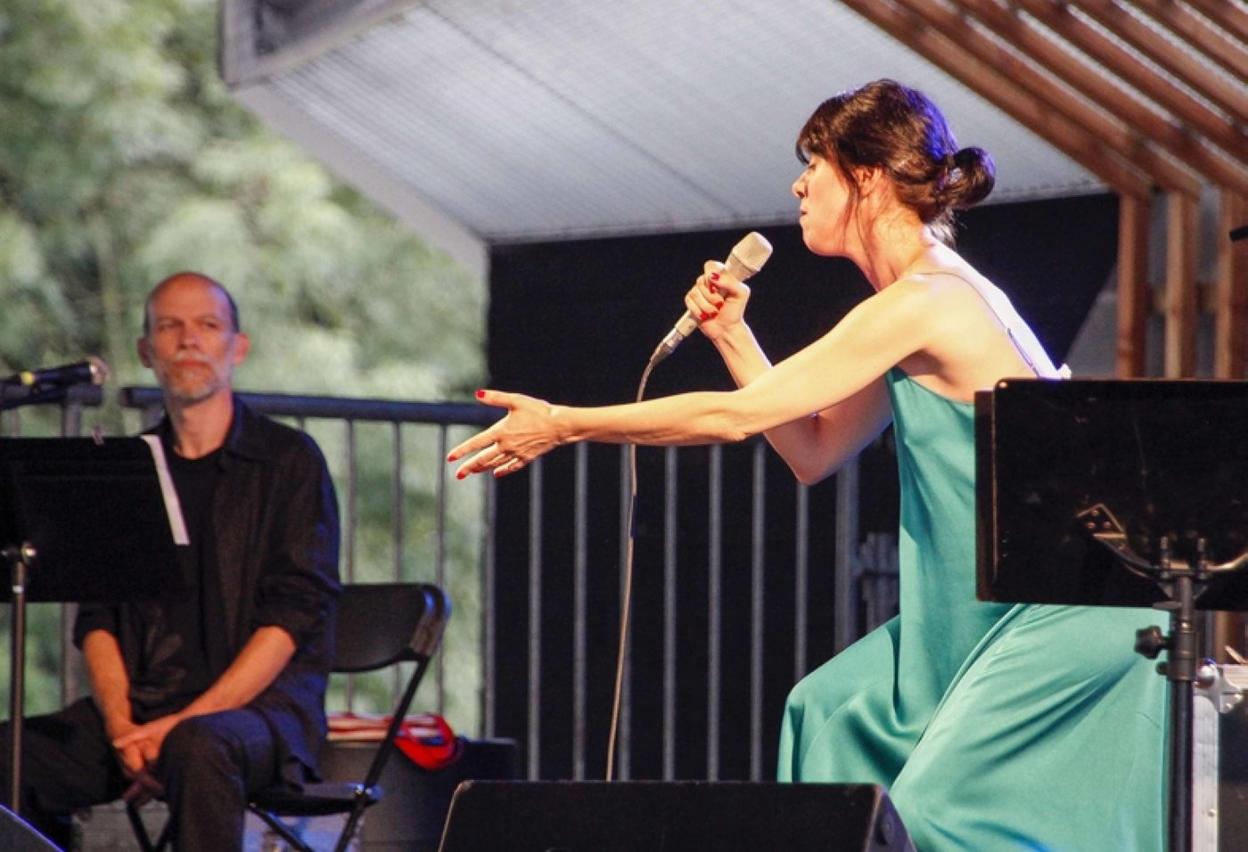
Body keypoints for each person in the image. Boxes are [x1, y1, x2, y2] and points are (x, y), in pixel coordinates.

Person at [448, 80, 1165, 850]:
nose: (798, 186)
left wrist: (563, 424)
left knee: (934, 814)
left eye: (813, 164)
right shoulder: (913, 305)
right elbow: (814, 451)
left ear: (866, 177)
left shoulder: (930, 299)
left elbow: (734, 419)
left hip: (1068, 607)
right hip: (1000, 603)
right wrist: (734, 337)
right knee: (829, 714)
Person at [0, 272, 341, 850]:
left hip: (262, 716)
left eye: (207, 326)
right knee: (12, 755)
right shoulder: (131, 465)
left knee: (198, 746)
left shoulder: (288, 460)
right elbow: (99, 619)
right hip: (140, 713)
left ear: (237, 347)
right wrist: (123, 729)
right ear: (145, 350)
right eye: (169, 327)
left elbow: (292, 615)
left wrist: (178, 727)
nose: (188, 340)